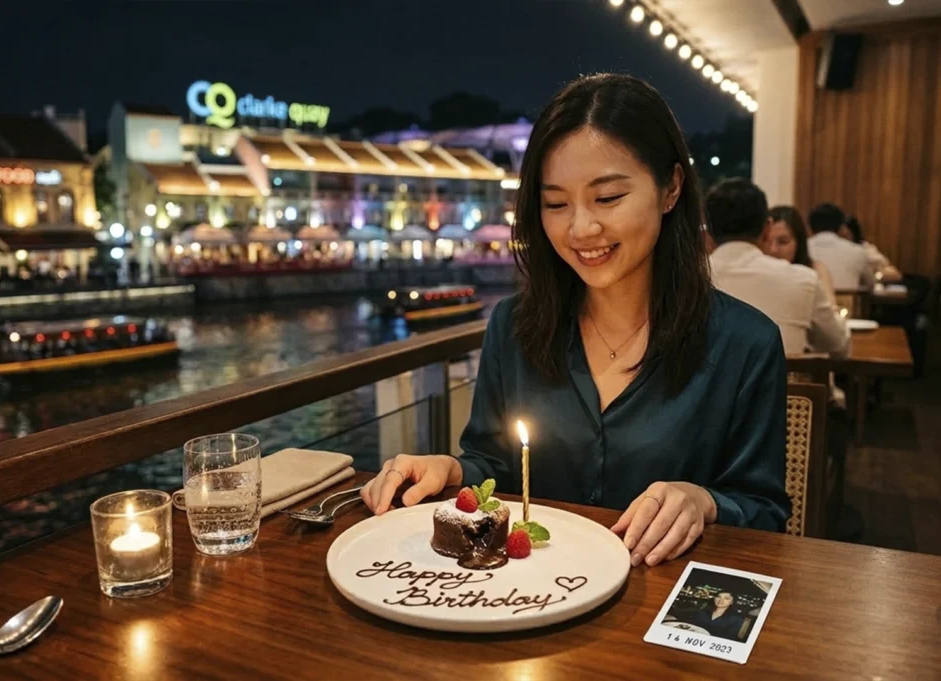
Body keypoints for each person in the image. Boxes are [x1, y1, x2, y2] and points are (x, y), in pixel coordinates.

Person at [361, 73, 790, 568]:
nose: (581, 228)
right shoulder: (514, 326)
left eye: (607, 198)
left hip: (659, 602)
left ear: (670, 188)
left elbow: (765, 513)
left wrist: (704, 501)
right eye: (556, 204)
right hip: (531, 603)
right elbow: (495, 465)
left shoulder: (746, 345)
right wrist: (450, 470)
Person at [707, 181, 849, 359]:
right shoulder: (804, 279)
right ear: (767, 229)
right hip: (786, 387)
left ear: (707, 234)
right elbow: (839, 346)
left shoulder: (685, 279)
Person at [763, 205, 837, 307]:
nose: (773, 249)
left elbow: (831, 312)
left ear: (799, 242)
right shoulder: (756, 271)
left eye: (783, 242)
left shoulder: (816, 270)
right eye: (767, 241)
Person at [806, 203, 875, 290]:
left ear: (810, 227)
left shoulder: (802, 248)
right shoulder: (857, 251)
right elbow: (870, 284)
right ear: (841, 227)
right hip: (848, 303)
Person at [839, 215, 902, 283]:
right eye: (838, 237)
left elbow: (895, 274)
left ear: (855, 235)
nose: (841, 241)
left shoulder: (865, 250)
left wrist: (874, 277)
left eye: (845, 236)